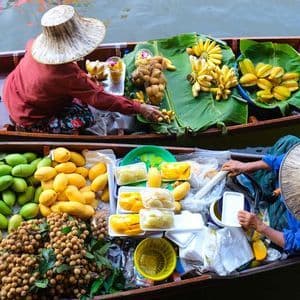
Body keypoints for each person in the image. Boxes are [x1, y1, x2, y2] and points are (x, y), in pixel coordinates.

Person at [2, 5, 163, 134]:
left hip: (11, 90)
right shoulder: (64, 75)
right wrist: (139, 107)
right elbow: (99, 99)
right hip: (29, 116)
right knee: (87, 116)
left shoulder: (34, 43)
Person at [222, 147, 300, 253]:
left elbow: (293, 243)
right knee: (289, 141)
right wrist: (244, 166)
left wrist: (260, 226)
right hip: (286, 184)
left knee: (268, 222)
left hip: (291, 219)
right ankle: (263, 185)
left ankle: (264, 195)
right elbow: (281, 161)